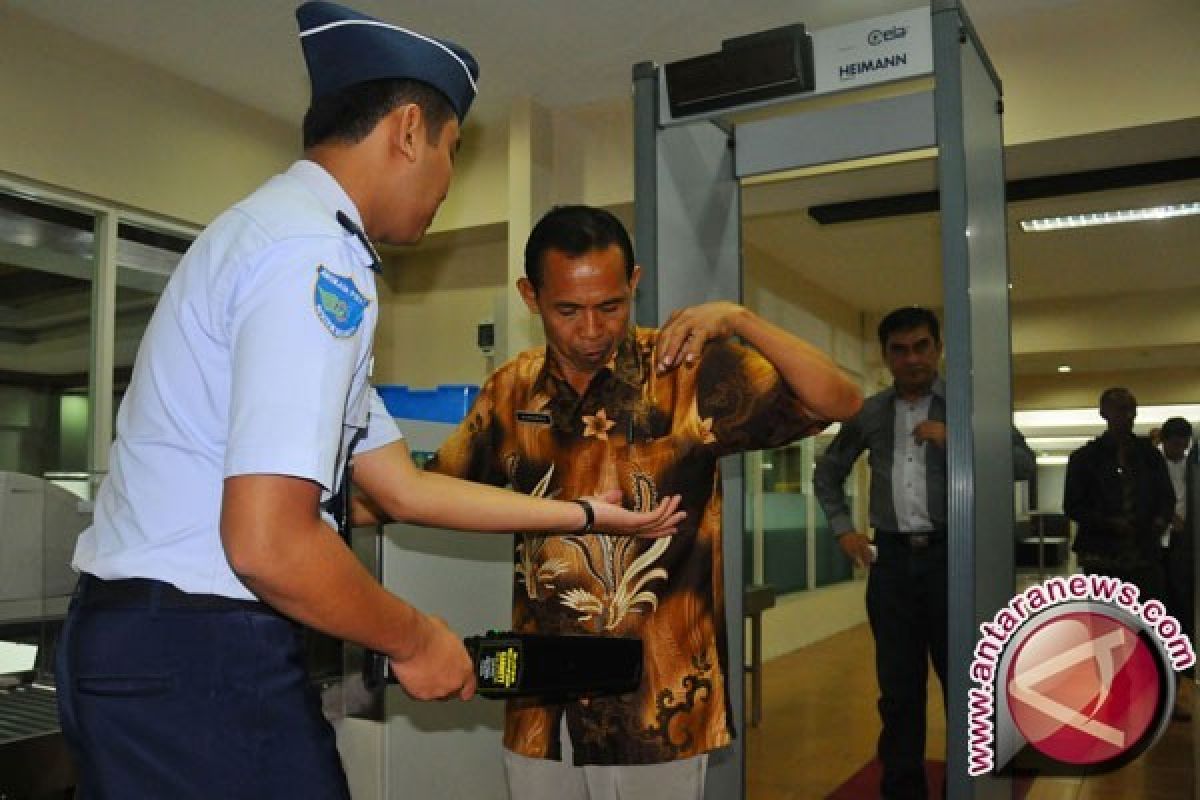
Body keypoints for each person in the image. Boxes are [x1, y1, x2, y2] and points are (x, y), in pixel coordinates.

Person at [53, 5, 684, 798]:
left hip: (155, 647)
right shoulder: (315, 258)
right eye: (453, 153)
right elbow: (268, 542)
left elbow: (399, 486)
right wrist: (416, 637)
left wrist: (589, 516)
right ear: (410, 130)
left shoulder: (277, 235)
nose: (448, 183)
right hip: (200, 651)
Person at [421, 205, 863, 800]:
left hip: (657, 704)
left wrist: (739, 318)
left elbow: (840, 400)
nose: (592, 330)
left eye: (610, 306)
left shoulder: (686, 372)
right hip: (540, 706)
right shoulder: (511, 390)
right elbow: (430, 488)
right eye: (568, 310)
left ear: (634, 282)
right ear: (531, 296)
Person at [813, 305, 1035, 800]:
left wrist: (958, 440)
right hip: (890, 565)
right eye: (900, 350)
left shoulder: (969, 406)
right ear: (886, 355)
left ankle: (969, 786)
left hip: (951, 560)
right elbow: (827, 472)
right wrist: (843, 529)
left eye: (921, 347)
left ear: (937, 348)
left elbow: (1022, 464)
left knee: (964, 683)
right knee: (898, 691)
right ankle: (903, 788)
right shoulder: (870, 412)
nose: (912, 359)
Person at [1064, 388, 1174, 605]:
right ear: (1104, 413)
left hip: (1144, 554)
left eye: (1133, 410)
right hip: (1101, 554)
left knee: (1145, 621)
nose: (1129, 416)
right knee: (1106, 621)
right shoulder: (1085, 458)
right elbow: (1073, 506)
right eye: (1122, 409)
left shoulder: (1149, 456)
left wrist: (1158, 522)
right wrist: (1108, 523)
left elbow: (1166, 497)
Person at [1158, 416, 1195, 719]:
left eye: (1185, 444)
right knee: (1159, 606)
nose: (1180, 449)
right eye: (1176, 443)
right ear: (1164, 441)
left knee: (1182, 607)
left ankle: (1180, 676)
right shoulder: (1151, 465)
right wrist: (1169, 517)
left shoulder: (1190, 467)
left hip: (1184, 545)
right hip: (1156, 544)